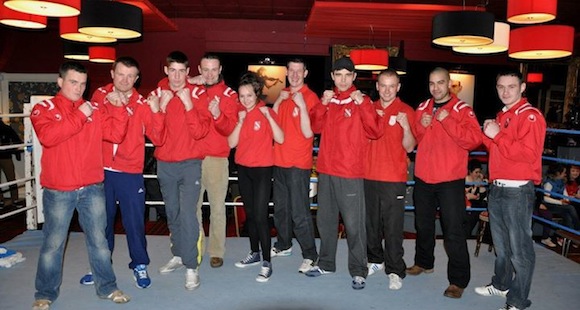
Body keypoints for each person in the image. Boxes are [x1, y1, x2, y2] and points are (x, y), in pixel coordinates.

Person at [30, 61, 131, 310]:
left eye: (83, 83)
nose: (78, 88)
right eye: (73, 82)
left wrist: (118, 109)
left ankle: (107, 287)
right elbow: (49, 137)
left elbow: (116, 135)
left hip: (92, 188)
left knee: (99, 241)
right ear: (60, 81)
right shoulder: (44, 108)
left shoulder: (94, 109)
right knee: (53, 244)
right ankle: (45, 293)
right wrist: (80, 114)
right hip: (59, 189)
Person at [79, 57, 166, 289]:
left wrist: (157, 112)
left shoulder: (143, 103)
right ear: (112, 74)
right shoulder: (99, 95)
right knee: (100, 223)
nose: (125, 80)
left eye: (130, 76)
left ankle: (139, 264)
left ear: (137, 79)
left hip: (129, 173)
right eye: (120, 74)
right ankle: (100, 265)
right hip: (101, 171)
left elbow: (158, 138)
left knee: (134, 223)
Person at [305, 56, 383, 290]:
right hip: (326, 171)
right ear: (332, 76)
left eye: (347, 75)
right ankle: (326, 263)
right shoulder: (329, 101)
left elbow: (376, 131)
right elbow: (315, 127)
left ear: (354, 77)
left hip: (350, 172)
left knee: (353, 224)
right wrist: (322, 104)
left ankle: (359, 270)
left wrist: (363, 104)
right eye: (338, 75)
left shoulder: (363, 101)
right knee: (326, 221)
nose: (342, 79)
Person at [475, 69, 546, 310]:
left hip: (517, 191)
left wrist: (498, 135)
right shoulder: (504, 115)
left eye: (511, 87)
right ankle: (501, 283)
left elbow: (528, 155)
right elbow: (499, 150)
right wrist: (488, 135)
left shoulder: (530, 116)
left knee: (520, 250)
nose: (505, 91)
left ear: (522, 87)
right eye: (501, 87)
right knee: (502, 246)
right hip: (498, 188)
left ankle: (517, 300)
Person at [408, 67, 481, 299]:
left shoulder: (462, 109)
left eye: (440, 83)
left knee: (453, 231)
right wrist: (422, 124)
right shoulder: (422, 107)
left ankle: (458, 281)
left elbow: (474, 140)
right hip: (424, 177)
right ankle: (423, 262)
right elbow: (415, 137)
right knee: (423, 225)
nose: (436, 88)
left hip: (450, 180)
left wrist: (448, 121)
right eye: (432, 83)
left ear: (449, 83)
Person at [152, 51, 210, 290]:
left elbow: (200, 132)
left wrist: (188, 105)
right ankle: (178, 253)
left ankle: (191, 265)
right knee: (172, 213)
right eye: (172, 70)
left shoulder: (198, 94)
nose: (176, 76)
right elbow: (155, 136)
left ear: (188, 72)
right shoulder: (157, 94)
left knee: (187, 215)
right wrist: (160, 109)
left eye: (181, 71)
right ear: (166, 70)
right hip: (165, 164)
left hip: (189, 165)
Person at [229, 71, 284, 282]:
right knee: (250, 214)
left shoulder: (266, 112)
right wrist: (240, 122)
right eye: (241, 96)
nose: (245, 100)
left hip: (263, 170)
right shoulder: (239, 113)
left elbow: (280, 138)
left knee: (261, 215)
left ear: (257, 93)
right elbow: (231, 144)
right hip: (243, 169)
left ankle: (267, 262)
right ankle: (254, 252)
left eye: (249, 95)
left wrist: (270, 117)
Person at [364, 69, 416, 290]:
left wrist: (405, 127)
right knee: (370, 224)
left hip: (393, 178)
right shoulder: (368, 109)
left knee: (393, 227)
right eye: (383, 85)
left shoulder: (406, 111)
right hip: (367, 175)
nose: (386, 90)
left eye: (391, 86)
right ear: (377, 86)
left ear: (398, 87)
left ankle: (395, 269)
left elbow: (410, 146)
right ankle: (375, 260)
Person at [189, 53, 239, 269]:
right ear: (200, 70)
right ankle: (196, 247)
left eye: (213, 69)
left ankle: (216, 251)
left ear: (220, 70)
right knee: (194, 207)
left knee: (218, 207)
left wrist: (218, 114)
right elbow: (166, 84)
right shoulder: (193, 90)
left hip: (217, 159)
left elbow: (230, 129)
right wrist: (189, 81)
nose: (209, 74)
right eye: (205, 69)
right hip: (192, 157)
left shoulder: (230, 95)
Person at [271, 58, 319, 273]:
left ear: (305, 73)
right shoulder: (282, 95)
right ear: (287, 73)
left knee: (300, 212)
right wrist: (279, 103)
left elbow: (310, 133)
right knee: (281, 209)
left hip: (298, 163)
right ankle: (283, 244)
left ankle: (310, 254)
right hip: (279, 160)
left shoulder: (311, 98)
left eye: (299, 71)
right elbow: (273, 125)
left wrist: (301, 106)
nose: (295, 75)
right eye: (292, 71)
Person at [542, 163, 580, 233]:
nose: (565, 174)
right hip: (549, 205)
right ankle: (577, 229)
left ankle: (569, 235)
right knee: (570, 208)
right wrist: (560, 202)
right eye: (564, 173)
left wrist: (566, 200)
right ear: (557, 173)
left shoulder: (562, 182)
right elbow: (545, 198)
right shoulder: (549, 183)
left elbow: (564, 192)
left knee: (567, 215)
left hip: (558, 204)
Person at [0, 118, 23, 208]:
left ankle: (14, 199)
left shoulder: (6, 128)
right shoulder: (6, 128)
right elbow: (17, 140)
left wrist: (11, 150)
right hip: (6, 156)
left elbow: (16, 140)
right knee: (11, 179)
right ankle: (13, 200)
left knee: (11, 179)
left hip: (6, 156)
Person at [464, 159, 488, 237]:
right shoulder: (465, 180)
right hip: (465, 205)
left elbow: (483, 196)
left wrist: (481, 183)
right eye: (476, 172)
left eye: (479, 172)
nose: (478, 174)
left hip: (475, 205)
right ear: (470, 171)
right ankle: (466, 234)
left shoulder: (480, 181)